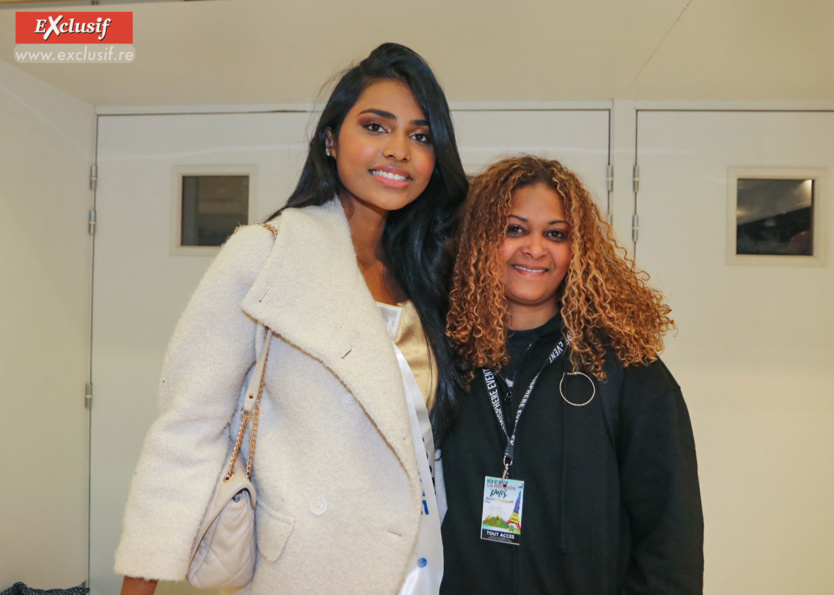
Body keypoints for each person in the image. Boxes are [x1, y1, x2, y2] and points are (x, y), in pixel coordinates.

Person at [116, 43, 467, 594]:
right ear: (331, 139)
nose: (398, 150)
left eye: (420, 136)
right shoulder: (265, 255)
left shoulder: (429, 274)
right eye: (376, 126)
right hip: (310, 568)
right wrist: (139, 587)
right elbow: (186, 432)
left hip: (424, 563)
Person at [440, 156, 703, 594]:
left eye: (555, 234)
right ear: (479, 239)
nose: (535, 248)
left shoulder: (626, 370)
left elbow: (670, 539)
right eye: (514, 229)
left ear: (577, 250)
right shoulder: (439, 358)